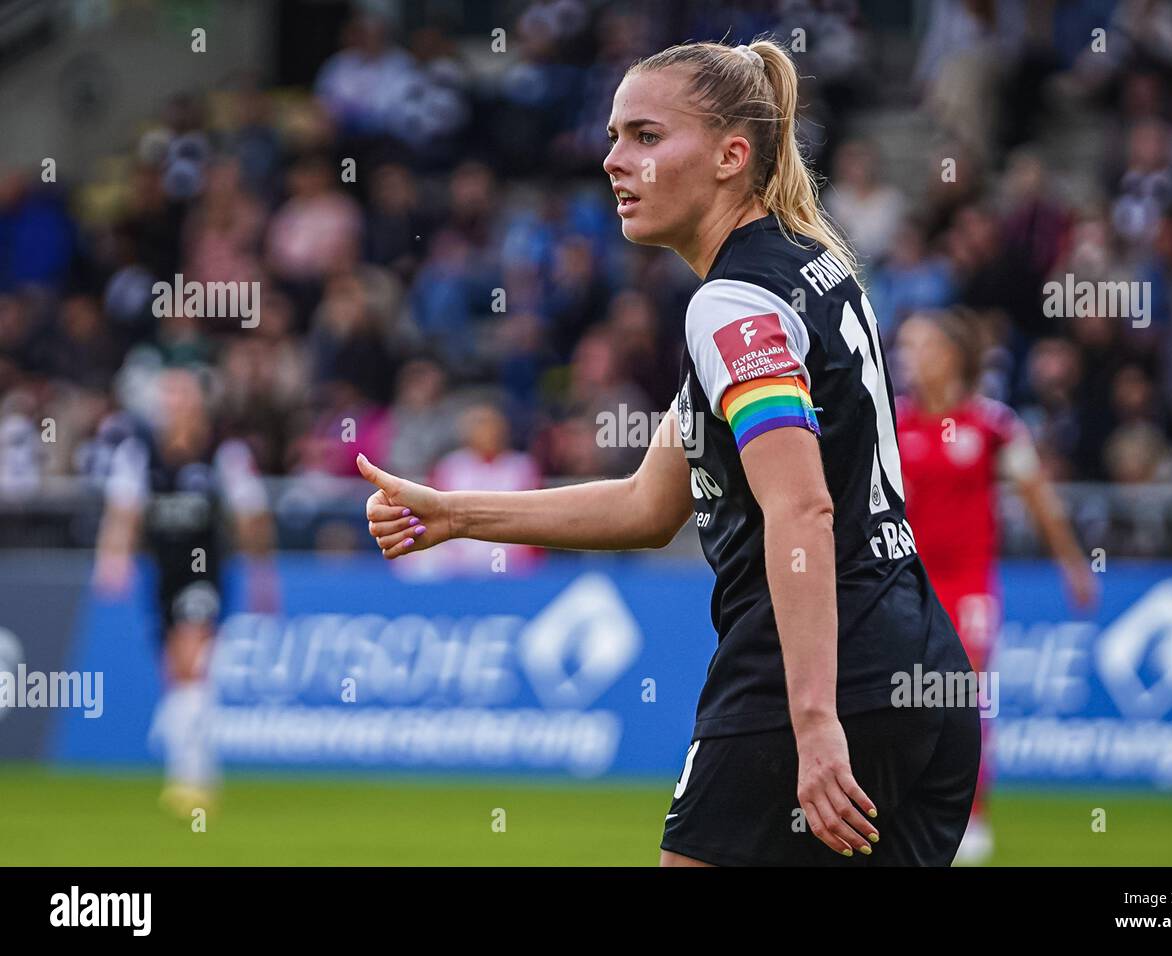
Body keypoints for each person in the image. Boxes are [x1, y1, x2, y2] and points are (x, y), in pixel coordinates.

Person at [357, 38, 980, 866]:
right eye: (614, 136)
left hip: (813, 673)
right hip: (922, 668)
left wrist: (813, 720)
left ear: (732, 156)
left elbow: (803, 507)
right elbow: (649, 506)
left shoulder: (730, 304)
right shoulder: (813, 270)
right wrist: (456, 512)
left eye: (646, 137)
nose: (614, 161)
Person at [895, 310, 1098, 863]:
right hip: (905, 585)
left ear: (955, 356)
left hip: (967, 587)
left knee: (962, 701)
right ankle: (907, 810)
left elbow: (1039, 500)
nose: (912, 359)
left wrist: (1074, 567)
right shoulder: (893, 423)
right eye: (908, 348)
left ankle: (972, 815)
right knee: (903, 701)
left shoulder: (993, 425)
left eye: (925, 347)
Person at [93, 368, 277, 818]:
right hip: (163, 575)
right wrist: (112, 559)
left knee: (191, 658)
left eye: (183, 396)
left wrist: (261, 572)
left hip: (206, 573)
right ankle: (195, 769)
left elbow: (251, 516)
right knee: (174, 674)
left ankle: (190, 780)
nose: (175, 405)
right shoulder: (140, 454)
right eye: (168, 397)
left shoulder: (224, 453)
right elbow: (124, 513)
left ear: (199, 403)